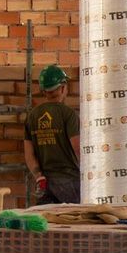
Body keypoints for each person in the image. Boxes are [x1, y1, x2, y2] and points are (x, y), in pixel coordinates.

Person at [22, 64, 81, 205]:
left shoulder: (32, 116)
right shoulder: (68, 114)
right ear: (62, 87)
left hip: (44, 181)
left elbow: (29, 154)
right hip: (69, 180)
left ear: (44, 90)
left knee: (46, 223)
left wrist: (38, 176)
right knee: (72, 220)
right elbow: (77, 148)